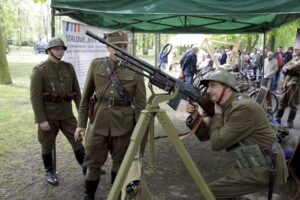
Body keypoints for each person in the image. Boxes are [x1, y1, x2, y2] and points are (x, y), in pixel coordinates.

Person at [185, 68, 288, 199]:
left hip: (265, 167)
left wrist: (216, 115)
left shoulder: (243, 108)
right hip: (250, 161)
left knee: (209, 192)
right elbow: (204, 135)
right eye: (208, 86)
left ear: (227, 88)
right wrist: (195, 114)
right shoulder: (224, 106)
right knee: (225, 191)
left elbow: (217, 144)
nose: (208, 90)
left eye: (213, 85)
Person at [74, 30, 147, 199]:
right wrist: (81, 125)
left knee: (120, 164)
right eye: (117, 46)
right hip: (98, 123)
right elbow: (85, 99)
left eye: (124, 46)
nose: (121, 49)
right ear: (108, 47)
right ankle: (88, 195)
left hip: (123, 125)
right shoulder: (97, 65)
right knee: (92, 163)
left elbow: (141, 104)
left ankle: (115, 195)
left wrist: (139, 132)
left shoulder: (136, 69)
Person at [30, 37, 86, 185]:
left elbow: (77, 93)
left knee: (78, 140)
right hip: (49, 116)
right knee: (47, 144)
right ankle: (50, 172)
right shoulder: (39, 70)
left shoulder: (69, 67)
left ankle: (85, 166)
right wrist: (41, 119)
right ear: (49, 50)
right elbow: (35, 98)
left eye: (62, 49)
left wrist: (82, 114)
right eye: (57, 49)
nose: (60, 52)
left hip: (67, 115)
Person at [275, 29, 300, 129]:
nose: (294, 51)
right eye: (294, 49)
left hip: (295, 83)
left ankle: (290, 122)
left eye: (296, 49)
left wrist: (288, 68)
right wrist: (288, 68)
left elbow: (293, 67)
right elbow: (286, 66)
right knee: (282, 100)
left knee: (292, 102)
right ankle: (277, 118)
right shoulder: (294, 58)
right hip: (287, 81)